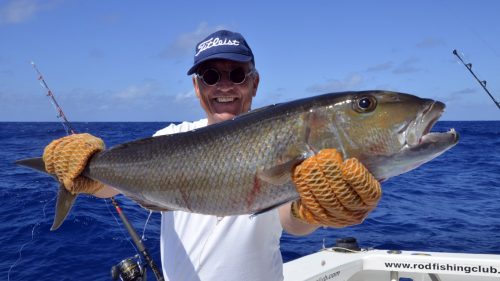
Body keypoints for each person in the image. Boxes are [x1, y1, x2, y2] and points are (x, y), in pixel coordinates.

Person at [43, 30, 382, 281]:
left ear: (254, 83)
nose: (224, 86)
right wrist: (84, 169)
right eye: (210, 76)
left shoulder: (283, 138)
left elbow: (292, 222)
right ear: (197, 87)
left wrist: (316, 210)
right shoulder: (169, 139)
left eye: (236, 75)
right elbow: (112, 187)